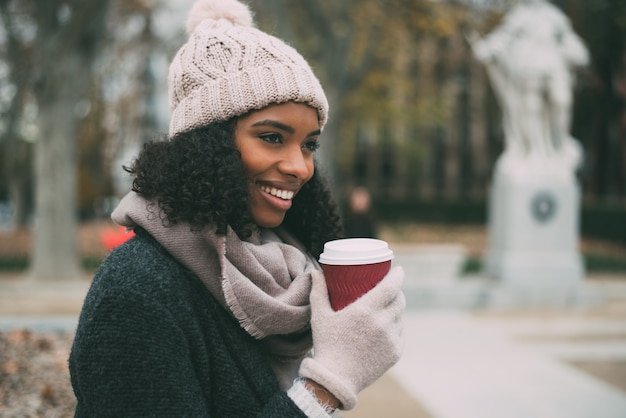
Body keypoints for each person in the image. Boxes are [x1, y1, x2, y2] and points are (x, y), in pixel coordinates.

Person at [69, 0, 405, 416]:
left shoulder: (291, 272)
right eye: (271, 137)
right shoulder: (136, 291)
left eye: (309, 144)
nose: (300, 167)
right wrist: (325, 387)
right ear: (207, 144)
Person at [470, 0, 588, 167]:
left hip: (553, 65)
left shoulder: (554, 15)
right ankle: (534, 149)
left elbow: (567, 38)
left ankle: (560, 141)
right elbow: (503, 37)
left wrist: (579, 51)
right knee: (530, 107)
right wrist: (488, 48)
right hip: (529, 65)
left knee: (562, 100)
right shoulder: (519, 15)